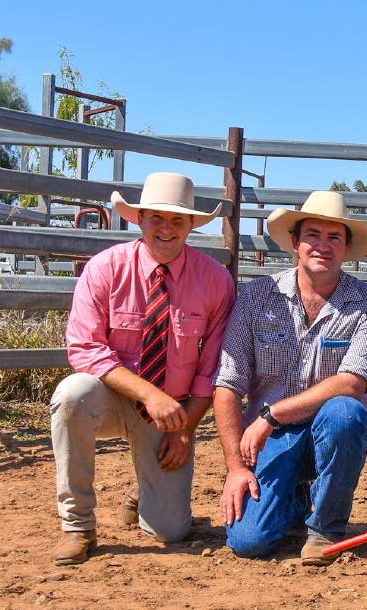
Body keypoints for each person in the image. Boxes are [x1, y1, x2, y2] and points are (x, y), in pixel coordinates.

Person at [50, 172, 235, 565]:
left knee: (170, 531)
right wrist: (150, 395)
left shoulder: (216, 281)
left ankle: (142, 492)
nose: (166, 229)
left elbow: (213, 368)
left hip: (172, 413)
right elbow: (84, 348)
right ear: (139, 219)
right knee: (71, 395)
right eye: (157, 218)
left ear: (190, 226)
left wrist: (185, 427)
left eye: (177, 220)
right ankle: (78, 526)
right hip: (112, 398)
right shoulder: (105, 268)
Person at [214, 190, 367, 565]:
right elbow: (229, 382)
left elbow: (352, 382)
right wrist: (235, 467)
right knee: (249, 542)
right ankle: (294, 499)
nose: (322, 246)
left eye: (334, 237)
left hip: (317, 427)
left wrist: (270, 414)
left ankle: (326, 527)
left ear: (346, 247)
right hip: (270, 439)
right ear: (295, 242)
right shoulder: (257, 296)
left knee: (345, 412)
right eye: (313, 235)